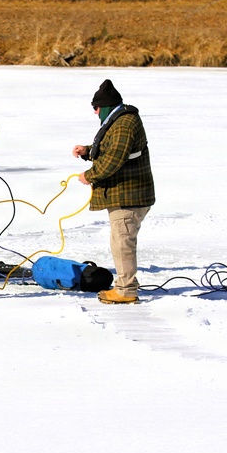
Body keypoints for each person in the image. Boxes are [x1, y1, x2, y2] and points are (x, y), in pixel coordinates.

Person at [73, 79, 155, 304]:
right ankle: (124, 286)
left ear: (105, 106)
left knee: (122, 242)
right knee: (120, 241)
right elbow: (111, 148)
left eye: (96, 108)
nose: (95, 112)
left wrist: (89, 175)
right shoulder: (119, 120)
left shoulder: (124, 123)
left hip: (129, 195)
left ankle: (126, 290)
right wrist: (88, 151)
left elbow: (114, 158)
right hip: (126, 193)